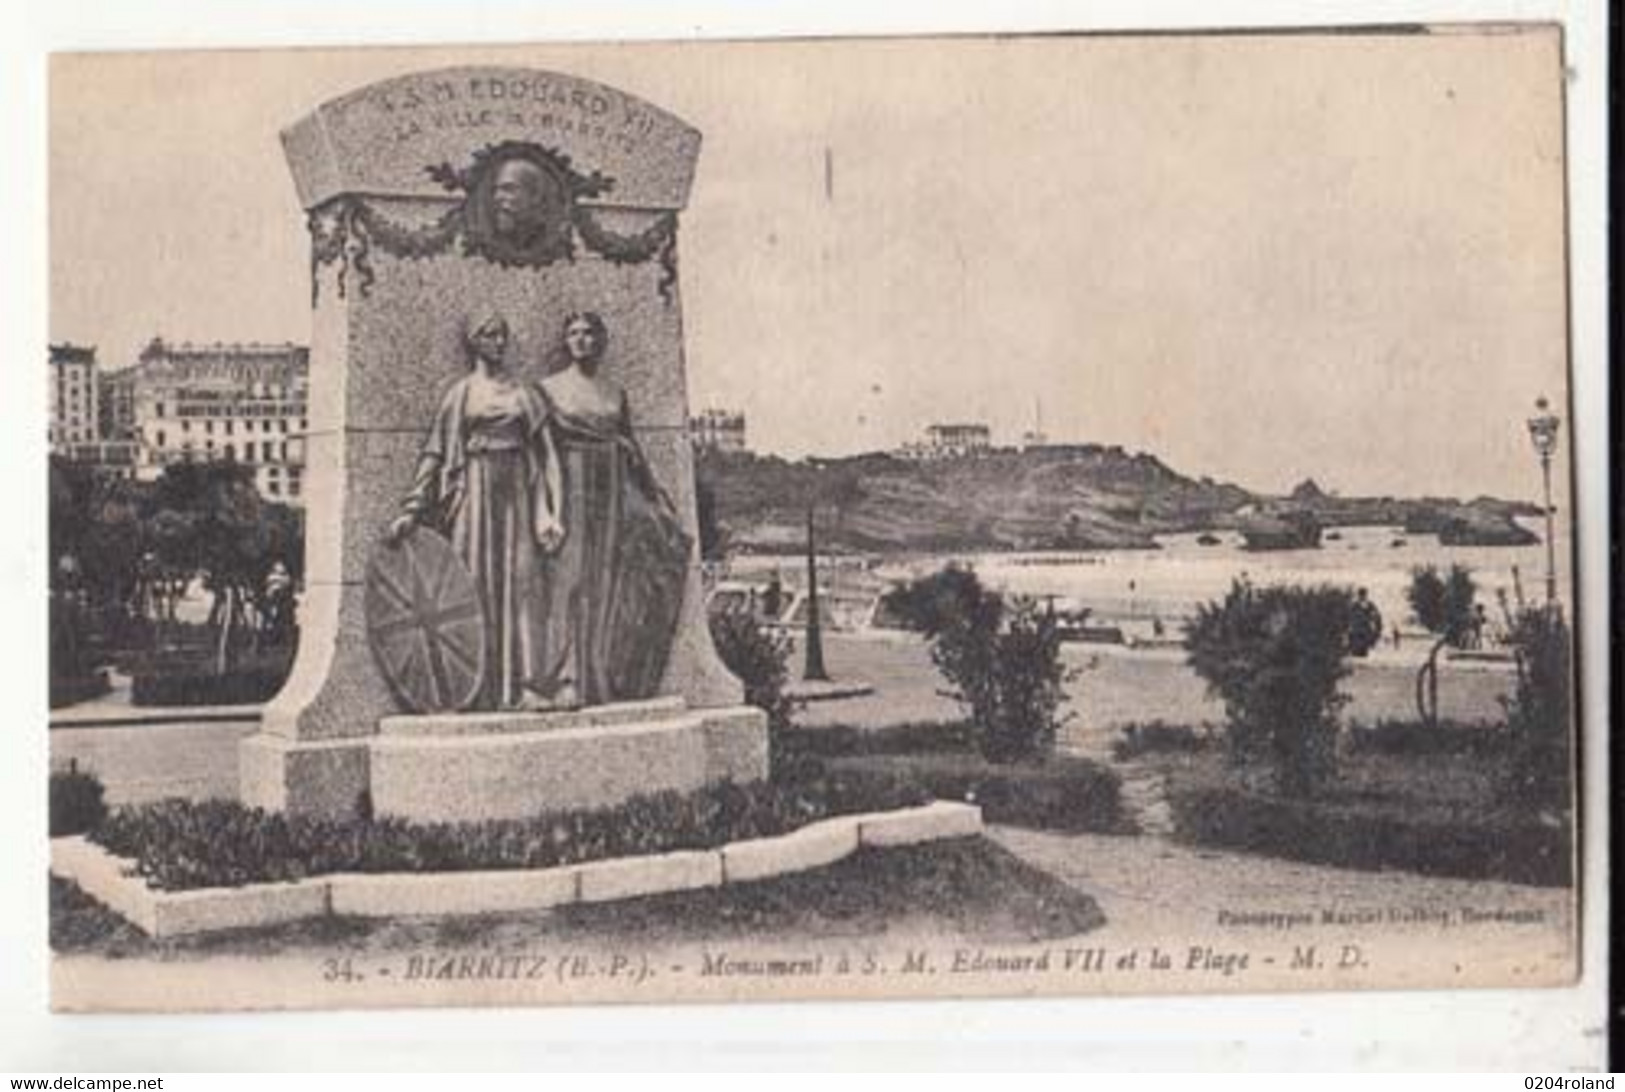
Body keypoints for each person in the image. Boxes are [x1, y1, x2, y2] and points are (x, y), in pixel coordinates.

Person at [388, 309, 564, 711]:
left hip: (517, 490)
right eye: (489, 335)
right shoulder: (461, 394)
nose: (498, 342)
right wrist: (412, 509)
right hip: (474, 491)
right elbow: (435, 455)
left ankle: (527, 685)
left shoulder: (524, 393)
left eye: (502, 334)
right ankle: (474, 688)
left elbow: (547, 455)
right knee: (472, 586)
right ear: (473, 341)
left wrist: (551, 511)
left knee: (522, 587)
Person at [534, 311, 690, 706]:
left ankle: (601, 674)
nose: (582, 340)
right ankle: (561, 673)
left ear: (600, 341)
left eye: (589, 333)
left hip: (611, 487)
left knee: (609, 578)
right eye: (574, 333)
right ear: (565, 341)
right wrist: (547, 507)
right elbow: (541, 452)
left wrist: (654, 494)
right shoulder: (547, 389)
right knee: (569, 579)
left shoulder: (614, 393)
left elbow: (630, 444)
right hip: (570, 483)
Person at [1349, 587, 1383, 657]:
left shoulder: (1369, 605)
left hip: (1364, 629)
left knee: (1363, 649)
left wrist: (1378, 627)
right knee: (1356, 649)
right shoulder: (1355, 605)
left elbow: (1376, 615)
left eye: (1363, 594)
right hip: (1357, 629)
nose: (1363, 596)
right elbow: (1350, 616)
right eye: (1361, 594)